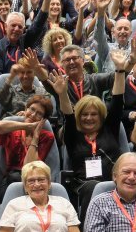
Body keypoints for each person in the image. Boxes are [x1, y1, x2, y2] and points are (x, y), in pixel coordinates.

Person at [48, 49, 128, 213]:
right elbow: (67, 115)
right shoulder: (73, 135)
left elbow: (117, 100)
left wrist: (120, 70)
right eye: (84, 115)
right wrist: (62, 93)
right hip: (85, 185)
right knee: (94, 187)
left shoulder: (109, 128)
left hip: (114, 182)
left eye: (94, 114)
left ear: (101, 116)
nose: (89, 118)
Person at [0, 96, 55, 194]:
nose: (33, 115)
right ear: (26, 109)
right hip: (10, 180)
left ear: (43, 120)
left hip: (33, 179)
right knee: (13, 178)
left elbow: (29, 167)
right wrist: (27, 126)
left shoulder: (46, 137)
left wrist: (35, 137)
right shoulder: (12, 130)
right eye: (32, 109)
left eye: (39, 114)